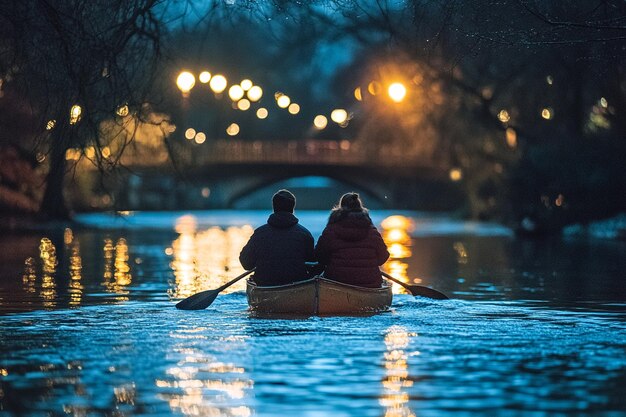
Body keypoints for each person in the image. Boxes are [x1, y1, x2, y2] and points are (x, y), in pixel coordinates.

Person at [239, 189, 315, 286]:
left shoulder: (259, 234)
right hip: (297, 285)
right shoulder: (305, 234)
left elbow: (246, 264)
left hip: (265, 284)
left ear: (274, 207)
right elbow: (313, 265)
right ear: (292, 208)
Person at [315, 192, 389, 288]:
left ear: (341, 207)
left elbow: (320, 256)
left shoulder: (330, 231)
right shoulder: (372, 232)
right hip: (369, 283)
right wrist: (369, 263)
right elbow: (384, 256)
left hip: (336, 282)